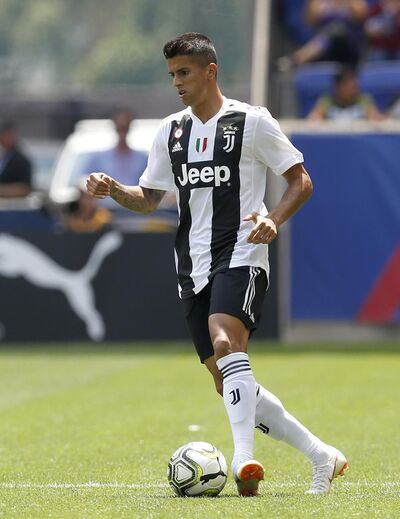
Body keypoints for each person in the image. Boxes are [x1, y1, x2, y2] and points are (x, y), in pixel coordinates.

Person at [87, 32, 348, 496]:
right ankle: (320, 454)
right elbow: (147, 199)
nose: (177, 82)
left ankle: (244, 459)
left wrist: (272, 218)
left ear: (210, 71)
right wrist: (114, 189)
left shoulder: (252, 121)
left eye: (184, 72)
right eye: (172, 74)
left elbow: (300, 181)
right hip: (191, 263)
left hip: (243, 250)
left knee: (226, 341)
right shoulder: (171, 131)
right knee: (225, 378)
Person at [279, 0, 368, 70]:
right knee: (331, 33)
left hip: (349, 43)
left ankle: (296, 59)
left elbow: (362, 15)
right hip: (326, 46)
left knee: (337, 29)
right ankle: (299, 59)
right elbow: (309, 21)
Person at [86, 109, 148, 208]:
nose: (122, 132)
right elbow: (85, 180)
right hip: (105, 211)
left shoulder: (143, 158)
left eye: (125, 128)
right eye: (120, 128)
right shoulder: (99, 158)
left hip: (135, 210)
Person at [308, 67, 384, 120]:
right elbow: (313, 120)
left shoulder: (364, 99)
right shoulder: (326, 100)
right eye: (350, 85)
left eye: (355, 85)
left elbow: (375, 120)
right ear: (338, 87)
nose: (355, 88)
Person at [0, 120, 32, 198]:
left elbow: (25, 188)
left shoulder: (21, 161)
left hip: (13, 203)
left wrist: (3, 190)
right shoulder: (3, 157)